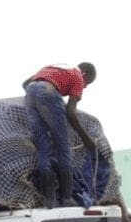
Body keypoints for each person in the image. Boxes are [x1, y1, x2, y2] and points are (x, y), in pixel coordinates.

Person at [22, 62, 97, 208]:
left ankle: (49, 200)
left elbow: (25, 83)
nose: (85, 86)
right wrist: (85, 138)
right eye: (87, 83)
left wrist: (39, 98)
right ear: (85, 74)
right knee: (63, 147)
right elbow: (70, 111)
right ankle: (66, 198)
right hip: (49, 91)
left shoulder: (56, 68)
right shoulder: (78, 76)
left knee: (43, 148)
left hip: (31, 93)